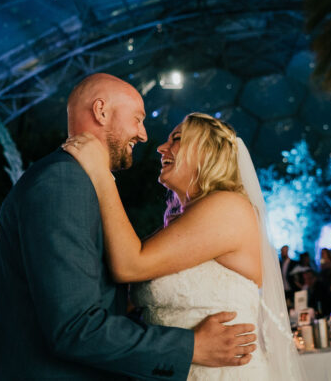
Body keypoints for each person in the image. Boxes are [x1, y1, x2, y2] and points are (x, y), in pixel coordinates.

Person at [0, 74, 252, 381]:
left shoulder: (77, 181)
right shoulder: (63, 182)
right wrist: (188, 346)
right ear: (101, 111)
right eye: (138, 119)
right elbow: (75, 327)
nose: (143, 136)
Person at [64, 110, 304, 380]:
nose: (160, 147)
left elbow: (130, 264)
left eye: (176, 139)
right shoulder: (184, 220)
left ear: (207, 151)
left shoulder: (228, 207)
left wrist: (100, 174)